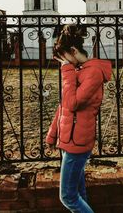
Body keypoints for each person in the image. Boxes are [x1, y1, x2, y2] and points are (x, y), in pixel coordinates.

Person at [46, 24, 112, 213]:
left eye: (64, 58)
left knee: (68, 196)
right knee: (78, 193)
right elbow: (63, 107)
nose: (63, 63)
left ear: (73, 51)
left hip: (78, 142)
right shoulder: (79, 70)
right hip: (69, 139)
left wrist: (66, 70)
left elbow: (72, 103)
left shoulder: (92, 73)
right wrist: (52, 135)